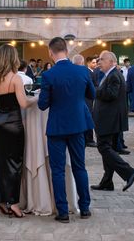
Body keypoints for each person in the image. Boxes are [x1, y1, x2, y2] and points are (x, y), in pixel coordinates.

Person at [37, 37, 94, 223]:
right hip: (78, 124)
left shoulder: (49, 75)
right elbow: (92, 94)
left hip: (57, 127)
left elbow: (43, 105)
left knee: (58, 170)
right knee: (80, 166)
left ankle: (62, 212)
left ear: (50, 53)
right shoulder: (82, 71)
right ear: (67, 51)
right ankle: (84, 208)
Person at [0, 44, 37, 218]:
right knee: (14, 165)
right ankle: (13, 203)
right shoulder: (15, 78)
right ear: (12, 58)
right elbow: (23, 104)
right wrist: (36, 98)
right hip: (13, 125)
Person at [92, 50, 134, 193]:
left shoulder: (113, 75)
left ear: (112, 62)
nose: (99, 62)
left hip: (108, 119)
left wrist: (94, 90)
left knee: (104, 148)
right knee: (108, 149)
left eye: (102, 59)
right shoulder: (110, 74)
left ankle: (129, 172)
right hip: (109, 119)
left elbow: (110, 94)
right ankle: (107, 182)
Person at [83, 55, 99, 148]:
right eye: (93, 62)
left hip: (91, 98)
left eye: (95, 62)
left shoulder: (93, 71)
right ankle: (89, 139)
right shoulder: (88, 72)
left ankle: (89, 139)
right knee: (89, 118)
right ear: (88, 63)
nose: (95, 64)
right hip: (88, 99)